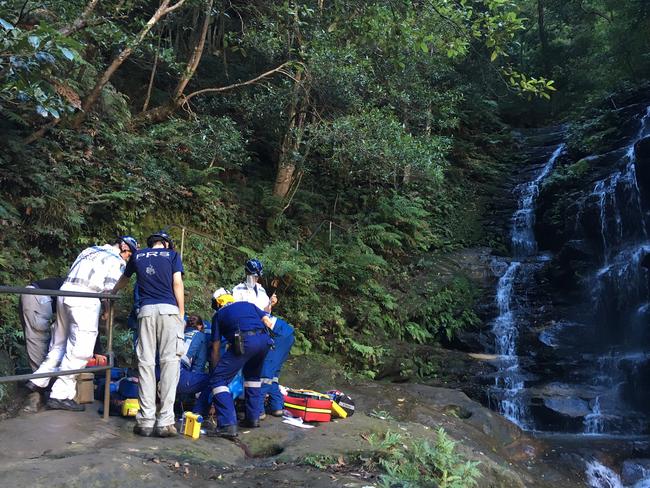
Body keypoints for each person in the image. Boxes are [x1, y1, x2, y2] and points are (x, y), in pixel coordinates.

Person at [28, 236, 138, 412]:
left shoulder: (89, 250)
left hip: (64, 293)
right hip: (85, 299)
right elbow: (109, 290)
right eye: (129, 255)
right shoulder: (116, 260)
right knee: (81, 350)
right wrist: (107, 311)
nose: (127, 259)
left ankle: (37, 381)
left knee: (59, 344)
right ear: (124, 248)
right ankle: (60, 395)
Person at [113, 231, 184, 438]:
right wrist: (181, 313)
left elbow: (124, 280)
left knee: (145, 364)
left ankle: (145, 421)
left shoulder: (138, 255)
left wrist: (111, 292)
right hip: (168, 311)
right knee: (170, 363)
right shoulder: (172, 255)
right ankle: (165, 422)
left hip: (145, 312)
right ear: (166, 244)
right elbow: (177, 283)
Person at [204, 288, 273, 438]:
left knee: (218, 380)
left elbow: (215, 349)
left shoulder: (219, 315)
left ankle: (228, 425)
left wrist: (215, 371)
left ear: (217, 303)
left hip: (245, 342)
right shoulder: (248, 304)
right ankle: (253, 418)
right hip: (264, 341)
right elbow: (267, 320)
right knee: (252, 378)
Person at [232, 258, 295, 418]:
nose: (256, 278)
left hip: (274, 333)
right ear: (247, 273)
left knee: (266, 373)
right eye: (253, 274)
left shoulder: (261, 290)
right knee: (272, 373)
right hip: (267, 333)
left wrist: (270, 304)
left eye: (257, 275)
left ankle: (257, 411)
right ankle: (276, 406)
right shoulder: (238, 290)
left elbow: (265, 314)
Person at [19, 277, 64, 371]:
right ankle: (40, 380)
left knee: (35, 337)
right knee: (38, 338)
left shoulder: (74, 281)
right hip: (38, 296)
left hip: (35, 295)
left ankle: (40, 378)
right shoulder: (85, 291)